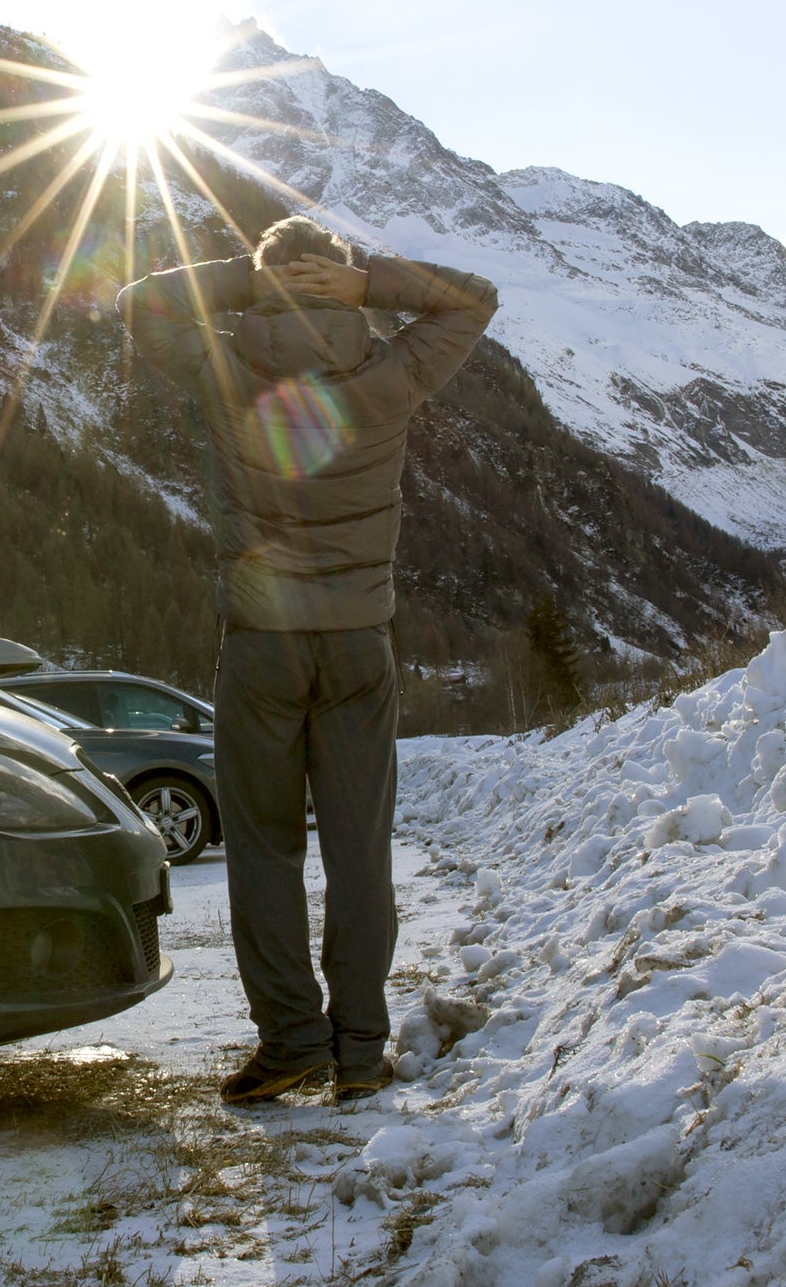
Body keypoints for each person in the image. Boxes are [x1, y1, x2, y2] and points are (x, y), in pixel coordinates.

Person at [117, 215, 498, 1104]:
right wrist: (367, 285)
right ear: (335, 279)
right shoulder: (388, 373)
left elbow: (143, 300)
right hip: (361, 644)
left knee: (262, 851)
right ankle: (361, 1054)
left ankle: (291, 1041)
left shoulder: (224, 369)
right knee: (360, 855)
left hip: (261, 647)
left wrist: (251, 280)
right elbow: (472, 301)